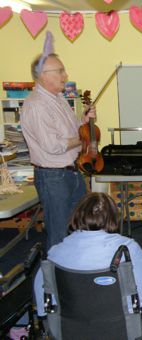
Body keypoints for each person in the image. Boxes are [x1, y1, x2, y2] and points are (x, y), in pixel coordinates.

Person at [34, 192, 142, 331]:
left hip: (69, 332)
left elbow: (43, 304)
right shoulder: (125, 251)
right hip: (121, 331)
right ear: (114, 219)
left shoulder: (55, 254)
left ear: (77, 216)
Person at [21, 35, 96, 250]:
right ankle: (54, 282)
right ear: (43, 75)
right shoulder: (36, 105)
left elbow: (71, 133)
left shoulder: (59, 99)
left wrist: (85, 122)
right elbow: (54, 145)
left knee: (80, 227)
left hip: (72, 173)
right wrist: (83, 138)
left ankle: (75, 274)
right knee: (59, 234)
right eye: (60, 71)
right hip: (53, 177)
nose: (66, 75)